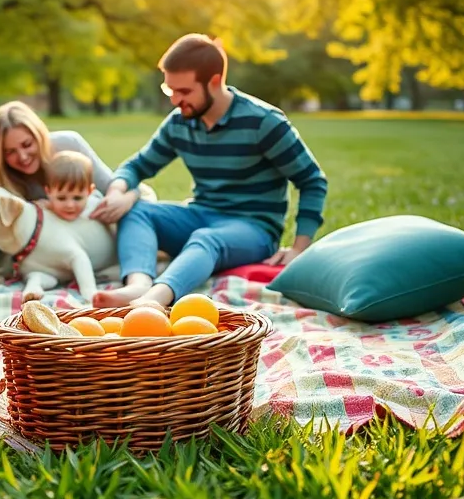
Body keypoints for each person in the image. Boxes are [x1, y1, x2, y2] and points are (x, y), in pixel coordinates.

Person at [89, 33, 328, 310]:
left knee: (205, 238)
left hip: (254, 229)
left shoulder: (264, 122)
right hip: (201, 214)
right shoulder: (180, 122)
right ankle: (138, 285)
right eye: (170, 90)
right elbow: (138, 165)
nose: (175, 100)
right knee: (137, 209)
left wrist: (298, 248)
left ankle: (155, 300)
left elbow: (311, 181)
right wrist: (119, 191)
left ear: (215, 82)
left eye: (184, 91)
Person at [0, 101, 124, 205]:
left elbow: (113, 187)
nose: (23, 157)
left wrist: (126, 199)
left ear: (39, 136)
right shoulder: (2, 178)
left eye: (27, 144)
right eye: (10, 152)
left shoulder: (68, 144)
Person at [41, 150, 103, 221]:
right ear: (48, 192)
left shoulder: (97, 211)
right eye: (61, 198)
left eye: (77, 198)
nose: (70, 205)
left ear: (90, 191)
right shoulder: (43, 214)